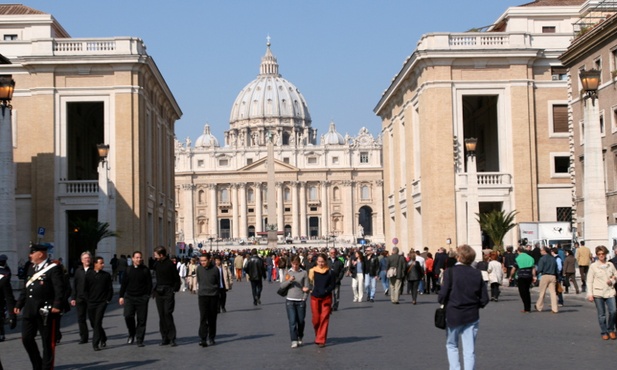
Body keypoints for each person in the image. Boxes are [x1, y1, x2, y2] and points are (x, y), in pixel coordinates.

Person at [14, 244, 66, 370]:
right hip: (30, 310)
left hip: (45, 311)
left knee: (47, 342)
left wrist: (57, 305)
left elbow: (59, 288)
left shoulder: (53, 268)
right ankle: (37, 364)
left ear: (41, 254)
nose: (30, 255)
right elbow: (26, 288)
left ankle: (46, 367)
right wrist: (19, 303)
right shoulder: (31, 267)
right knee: (26, 338)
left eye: (32, 252)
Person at [438, 244, 489, 370]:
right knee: (469, 349)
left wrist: (443, 301)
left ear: (459, 257)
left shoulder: (450, 272)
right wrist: (476, 305)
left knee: (452, 345)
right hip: (471, 315)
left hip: (453, 313)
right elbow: (484, 299)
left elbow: (443, 295)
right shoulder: (477, 273)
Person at [119, 251, 152, 347]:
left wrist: (147, 296)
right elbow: (124, 284)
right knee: (128, 316)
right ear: (133, 258)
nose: (139, 259)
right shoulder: (128, 270)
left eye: (140, 257)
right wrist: (121, 296)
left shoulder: (145, 270)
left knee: (141, 320)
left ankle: (140, 339)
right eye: (137, 257)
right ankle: (131, 333)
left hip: (142, 298)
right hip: (129, 297)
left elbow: (149, 284)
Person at [586, 245, 617, 340]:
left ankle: (611, 329)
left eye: (603, 253)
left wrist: (612, 281)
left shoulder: (610, 265)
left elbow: (615, 275)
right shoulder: (593, 266)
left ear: (606, 254)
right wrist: (590, 294)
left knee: (613, 311)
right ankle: (604, 331)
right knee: (602, 314)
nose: (601, 255)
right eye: (599, 254)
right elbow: (589, 280)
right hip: (598, 292)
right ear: (596, 255)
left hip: (610, 291)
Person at [152, 246, 181, 347]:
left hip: (168, 291)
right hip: (159, 292)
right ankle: (164, 337)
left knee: (167, 313)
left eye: (155, 254)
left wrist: (173, 290)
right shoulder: (156, 264)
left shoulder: (170, 264)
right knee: (161, 315)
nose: (154, 255)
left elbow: (177, 279)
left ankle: (172, 337)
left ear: (161, 254)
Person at [85, 256, 113, 351]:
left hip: (102, 303)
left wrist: (107, 300)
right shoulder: (88, 274)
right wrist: (87, 299)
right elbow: (85, 289)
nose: (103, 265)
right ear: (95, 264)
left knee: (97, 322)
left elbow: (110, 289)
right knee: (93, 324)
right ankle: (103, 337)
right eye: (101, 263)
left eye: (103, 263)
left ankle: (95, 343)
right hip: (91, 302)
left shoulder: (106, 275)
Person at [281, 255, 309, 348]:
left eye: (297, 264)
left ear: (299, 263)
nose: (295, 266)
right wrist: (289, 281)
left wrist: (304, 298)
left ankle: (300, 336)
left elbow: (307, 287)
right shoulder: (287, 272)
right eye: (293, 264)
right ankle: (293, 339)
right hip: (290, 300)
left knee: (300, 321)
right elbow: (282, 286)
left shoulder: (304, 273)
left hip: (300, 300)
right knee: (292, 321)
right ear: (291, 263)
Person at [308, 253, 335, 348]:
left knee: (324, 318)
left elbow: (333, 285)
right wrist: (310, 290)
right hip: (315, 296)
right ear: (316, 262)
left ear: (325, 261)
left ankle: (321, 339)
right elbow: (310, 282)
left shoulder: (330, 272)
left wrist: (327, 290)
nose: (320, 263)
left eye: (322, 262)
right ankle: (318, 334)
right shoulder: (312, 271)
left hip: (326, 297)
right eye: (319, 261)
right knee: (316, 319)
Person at [196, 253, 220, 347]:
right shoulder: (199, 269)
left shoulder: (215, 269)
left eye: (204, 260)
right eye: (201, 261)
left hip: (213, 295)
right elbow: (199, 280)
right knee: (203, 317)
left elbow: (217, 281)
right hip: (202, 295)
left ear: (209, 260)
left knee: (212, 318)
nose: (202, 262)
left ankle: (211, 337)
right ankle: (203, 338)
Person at [70, 251, 93, 344]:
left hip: (91, 298)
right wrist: (73, 298)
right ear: (82, 260)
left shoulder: (93, 270)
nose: (87, 259)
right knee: (81, 318)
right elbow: (75, 285)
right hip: (80, 298)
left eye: (88, 258)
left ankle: (99, 336)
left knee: (93, 319)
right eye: (85, 258)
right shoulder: (78, 271)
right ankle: (84, 337)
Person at [510, 246, 537, 313]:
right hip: (529, 276)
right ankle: (528, 307)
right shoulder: (530, 258)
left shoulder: (518, 258)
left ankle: (526, 307)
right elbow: (533, 268)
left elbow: (514, 268)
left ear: (518, 251)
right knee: (527, 291)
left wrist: (510, 276)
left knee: (522, 292)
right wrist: (534, 276)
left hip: (521, 276)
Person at [535, 247, 559, 313]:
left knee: (542, 292)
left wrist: (536, 275)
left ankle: (539, 306)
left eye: (541, 250)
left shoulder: (542, 259)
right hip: (553, 275)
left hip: (545, 275)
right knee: (553, 293)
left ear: (544, 251)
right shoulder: (553, 259)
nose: (540, 252)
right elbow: (556, 268)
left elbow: (540, 269)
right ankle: (555, 308)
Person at [0, 254, 16, 344]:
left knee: (1, 317)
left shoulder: (6, 271)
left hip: (2, 299)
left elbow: (8, 295)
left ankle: (1, 333)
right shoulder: (6, 272)